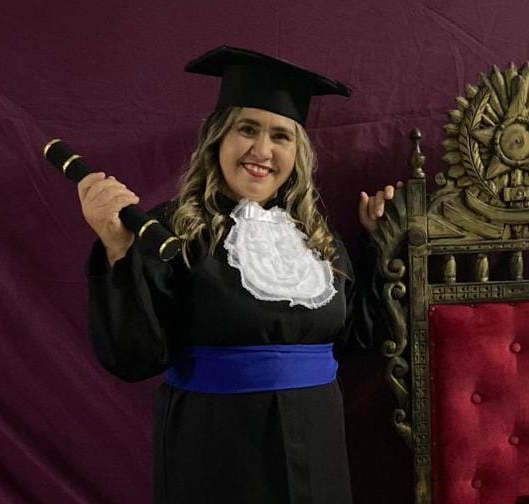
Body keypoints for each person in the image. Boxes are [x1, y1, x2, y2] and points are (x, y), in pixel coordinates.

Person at [77, 46, 396, 504]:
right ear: (217, 139)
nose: (261, 151)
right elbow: (133, 358)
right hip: (215, 453)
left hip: (316, 448)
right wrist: (116, 248)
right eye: (247, 129)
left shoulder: (316, 238)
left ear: (297, 153)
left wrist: (376, 245)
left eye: (280, 136)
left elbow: (358, 335)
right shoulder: (169, 230)